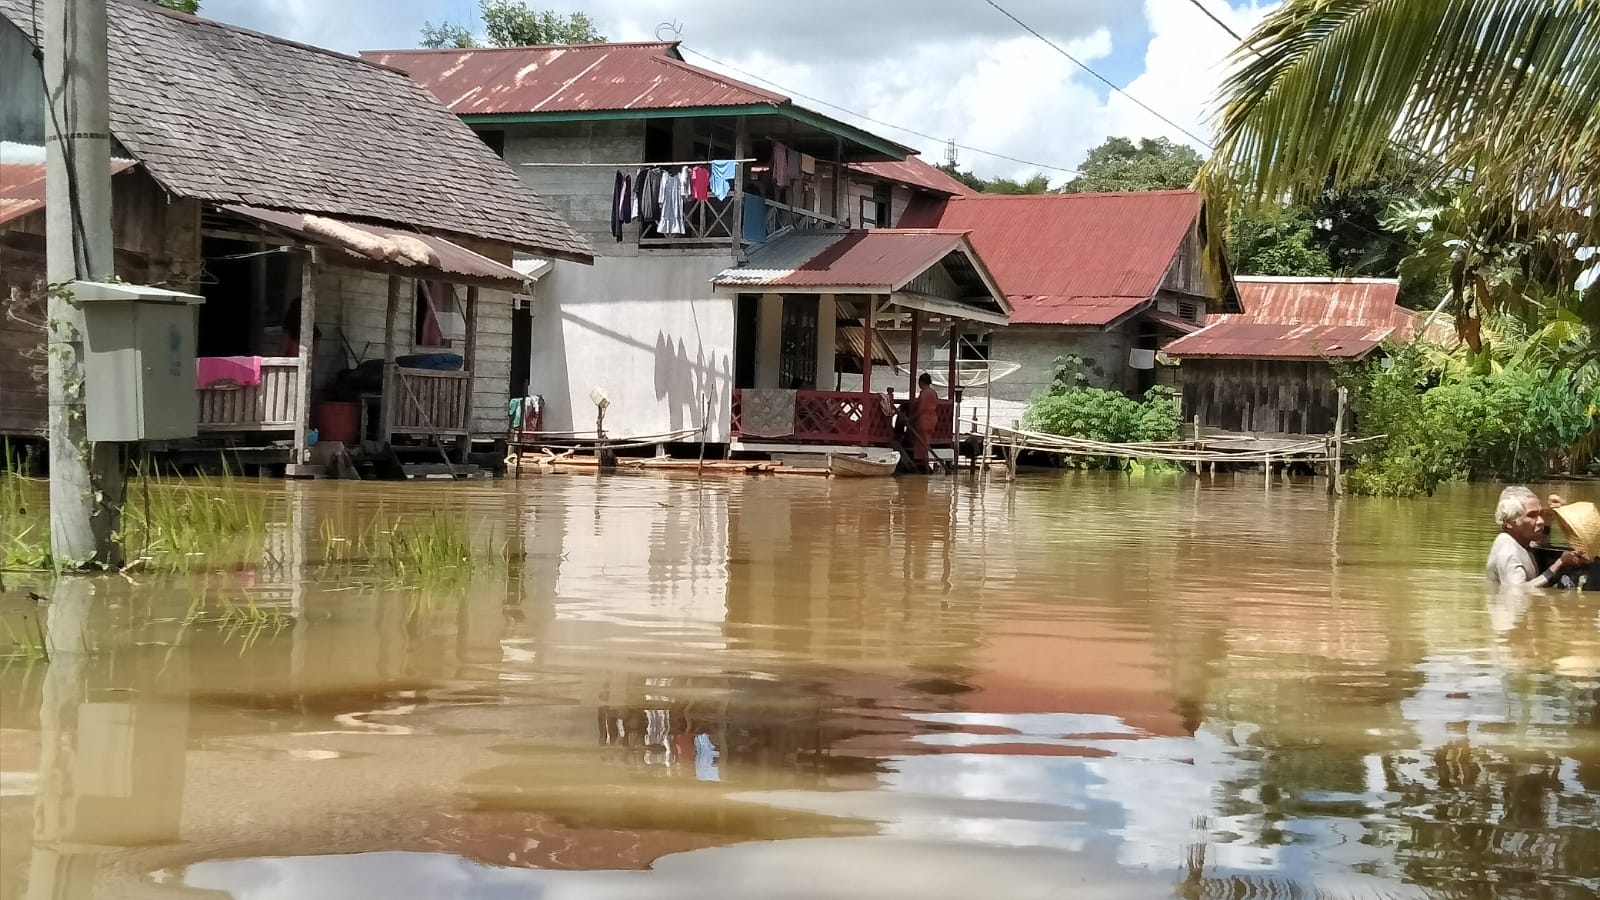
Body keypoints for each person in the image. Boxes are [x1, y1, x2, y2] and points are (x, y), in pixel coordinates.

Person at [1486, 486, 1588, 587]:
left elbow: (1539, 549)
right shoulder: (1508, 552)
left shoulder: (1520, 541)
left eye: (1540, 514)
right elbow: (1518, 592)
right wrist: (1559, 563)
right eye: (1532, 515)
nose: (1541, 521)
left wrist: (1548, 522)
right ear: (1508, 521)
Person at [909, 372, 941, 473]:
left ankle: (925, 468)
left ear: (921, 382)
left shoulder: (924, 392)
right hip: (932, 419)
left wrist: (912, 418)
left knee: (923, 445)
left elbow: (922, 407)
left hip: (924, 419)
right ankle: (924, 467)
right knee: (924, 443)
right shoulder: (933, 392)